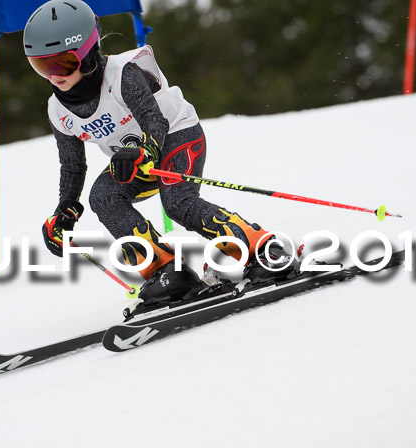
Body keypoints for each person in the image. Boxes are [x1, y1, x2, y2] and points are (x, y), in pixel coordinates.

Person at [24, 0, 298, 304]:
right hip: (132, 160)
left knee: (178, 202)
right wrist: (64, 211)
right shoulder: (57, 109)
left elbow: (155, 120)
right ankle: (168, 271)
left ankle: (263, 249)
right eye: (40, 65)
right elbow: (72, 166)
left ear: (89, 52)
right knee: (103, 196)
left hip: (176, 136)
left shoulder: (122, 75)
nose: (53, 75)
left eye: (63, 63)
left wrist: (146, 150)